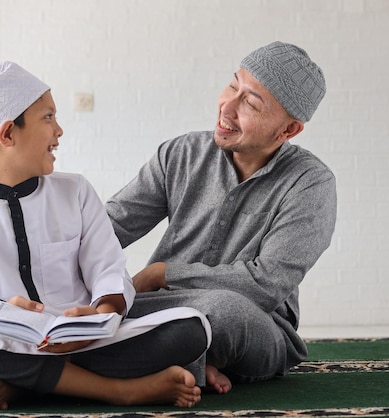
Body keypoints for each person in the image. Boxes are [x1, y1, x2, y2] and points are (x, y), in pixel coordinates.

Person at [0, 61, 211, 411]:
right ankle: (120, 392)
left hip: (87, 340)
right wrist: (0, 307)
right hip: (9, 343)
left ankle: (24, 385)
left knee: (192, 328)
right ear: (8, 135)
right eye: (48, 117)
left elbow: (108, 268)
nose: (59, 130)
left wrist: (100, 312)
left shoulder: (75, 191)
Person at [106, 41, 337, 394]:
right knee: (95, 306)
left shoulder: (310, 183)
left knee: (225, 312)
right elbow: (110, 227)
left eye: (250, 102)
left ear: (287, 130)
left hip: (254, 325)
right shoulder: (180, 153)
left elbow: (266, 285)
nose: (226, 107)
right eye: (233, 85)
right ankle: (188, 364)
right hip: (162, 310)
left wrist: (161, 274)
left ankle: (96, 361)